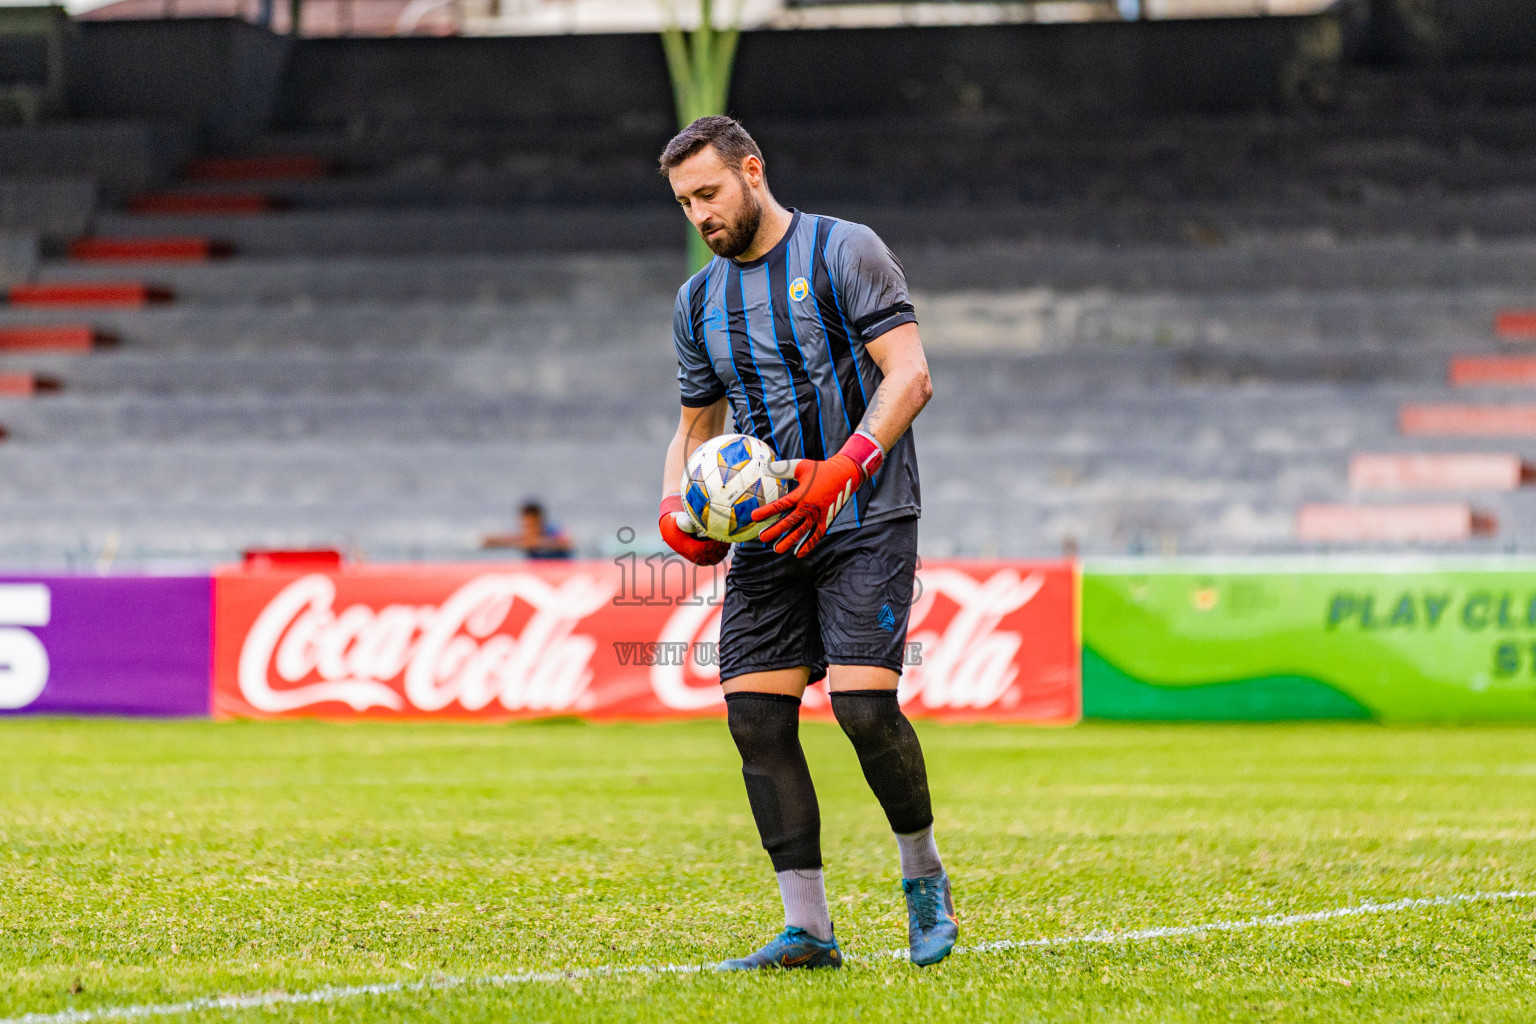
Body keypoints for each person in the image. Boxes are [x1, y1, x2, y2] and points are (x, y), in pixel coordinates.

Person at [655, 115, 955, 971]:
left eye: (709, 192)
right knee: (754, 716)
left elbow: (912, 374)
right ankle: (808, 928)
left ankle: (923, 877)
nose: (700, 214)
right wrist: (679, 510)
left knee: (862, 707)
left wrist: (843, 467)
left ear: (753, 171)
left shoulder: (843, 250)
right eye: (684, 203)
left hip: (865, 513)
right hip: (769, 530)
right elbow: (692, 430)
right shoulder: (697, 301)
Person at [482, 500, 573, 559]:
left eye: (533, 524)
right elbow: (487, 541)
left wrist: (538, 543)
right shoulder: (521, 535)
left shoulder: (552, 530)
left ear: (540, 521)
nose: (529, 528)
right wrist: (517, 542)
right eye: (526, 525)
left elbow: (568, 543)